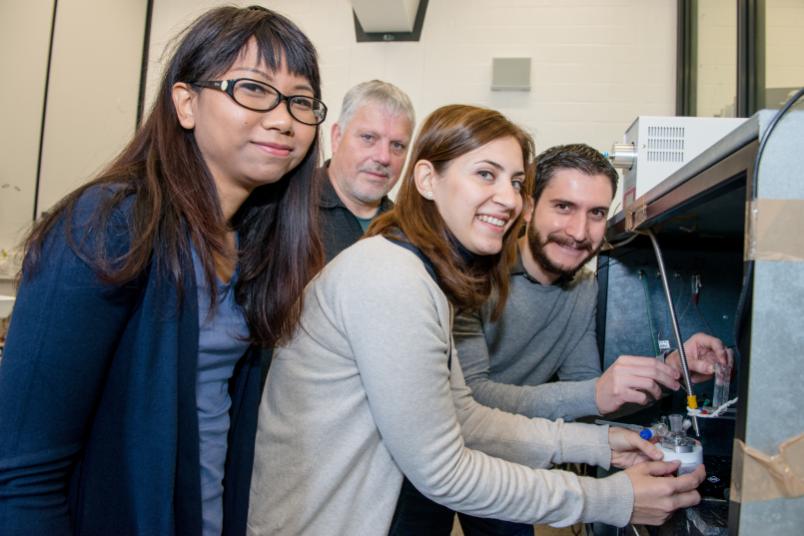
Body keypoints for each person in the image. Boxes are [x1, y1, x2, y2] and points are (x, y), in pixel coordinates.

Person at [247, 106, 705, 535]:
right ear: (427, 179)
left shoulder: (422, 275)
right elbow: (445, 470)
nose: (506, 199)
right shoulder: (391, 278)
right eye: (485, 174)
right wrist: (608, 498)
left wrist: (599, 445)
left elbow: (464, 418)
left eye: (515, 182)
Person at [0, 6, 326, 535]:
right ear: (186, 102)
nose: (283, 117)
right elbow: (23, 473)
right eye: (254, 88)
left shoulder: (253, 243)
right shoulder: (108, 226)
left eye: (301, 100)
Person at [448, 143, 731, 535]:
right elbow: (472, 399)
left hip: (511, 459)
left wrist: (672, 372)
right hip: (438, 452)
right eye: (564, 207)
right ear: (529, 207)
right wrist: (593, 393)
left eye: (596, 213)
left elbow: (587, 400)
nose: (579, 233)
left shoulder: (583, 290)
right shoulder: (474, 275)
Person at [317, 79, 414, 261]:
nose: (384, 157)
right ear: (337, 137)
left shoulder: (409, 230)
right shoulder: (286, 206)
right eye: (369, 138)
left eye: (397, 145)